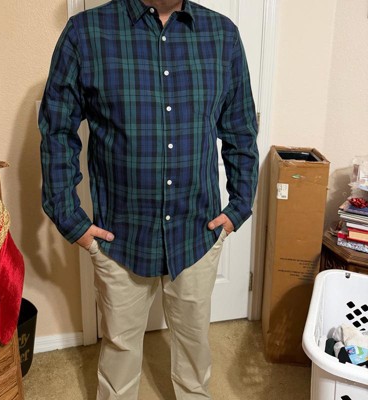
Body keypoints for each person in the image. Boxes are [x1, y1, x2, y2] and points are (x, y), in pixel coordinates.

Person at [39, 0, 259, 398]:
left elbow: (240, 128)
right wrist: (71, 219)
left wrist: (239, 206)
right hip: (119, 238)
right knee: (120, 350)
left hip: (197, 232)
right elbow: (57, 131)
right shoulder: (85, 34)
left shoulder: (222, 34)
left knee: (195, 348)